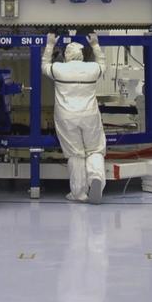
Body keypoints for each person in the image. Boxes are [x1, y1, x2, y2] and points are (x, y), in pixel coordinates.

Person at [42, 31, 107, 204]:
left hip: (67, 117)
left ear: (66, 56)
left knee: (75, 154)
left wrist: (49, 45)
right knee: (94, 149)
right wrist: (95, 45)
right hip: (89, 115)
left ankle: (78, 192)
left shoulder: (59, 69)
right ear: (81, 56)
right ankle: (96, 178)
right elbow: (102, 64)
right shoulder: (92, 69)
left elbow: (44, 66)